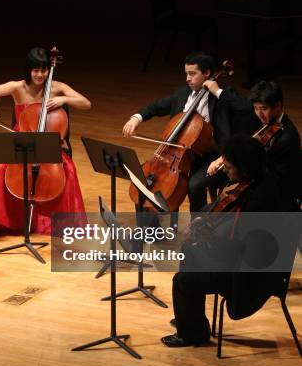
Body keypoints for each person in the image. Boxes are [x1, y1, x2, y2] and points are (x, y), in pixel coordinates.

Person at [162, 135, 283, 347]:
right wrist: (202, 220)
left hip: (247, 275)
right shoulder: (257, 182)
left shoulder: (259, 203)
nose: (225, 170)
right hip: (241, 259)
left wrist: (206, 239)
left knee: (182, 281)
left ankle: (192, 334)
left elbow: (235, 249)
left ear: (244, 168)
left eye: (229, 167)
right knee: (188, 248)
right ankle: (191, 320)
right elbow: (226, 214)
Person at [122, 52, 253, 213]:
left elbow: (246, 109)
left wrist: (217, 91)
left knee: (195, 185)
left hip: (212, 156)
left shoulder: (223, 95)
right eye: (186, 74)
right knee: (143, 180)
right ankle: (149, 231)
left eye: (192, 74)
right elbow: (156, 107)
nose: (187, 79)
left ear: (207, 73)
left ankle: (196, 229)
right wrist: (136, 118)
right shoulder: (182, 93)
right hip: (177, 153)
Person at [0, 47, 91, 236]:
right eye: (35, 70)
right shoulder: (19, 87)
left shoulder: (56, 88)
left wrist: (64, 99)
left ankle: (60, 221)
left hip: (48, 144)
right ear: (29, 70)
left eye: (44, 70)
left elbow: (86, 104)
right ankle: (5, 220)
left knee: (69, 170)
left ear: (49, 69)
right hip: (22, 143)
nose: (40, 75)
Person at [208, 80, 300, 211]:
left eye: (263, 108)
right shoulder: (267, 121)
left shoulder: (287, 138)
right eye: (256, 108)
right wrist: (224, 158)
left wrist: (239, 169)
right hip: (256, 181)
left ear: (278, 106)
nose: (259, 114)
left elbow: (273, 179)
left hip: (272, 197)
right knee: (214, 180)